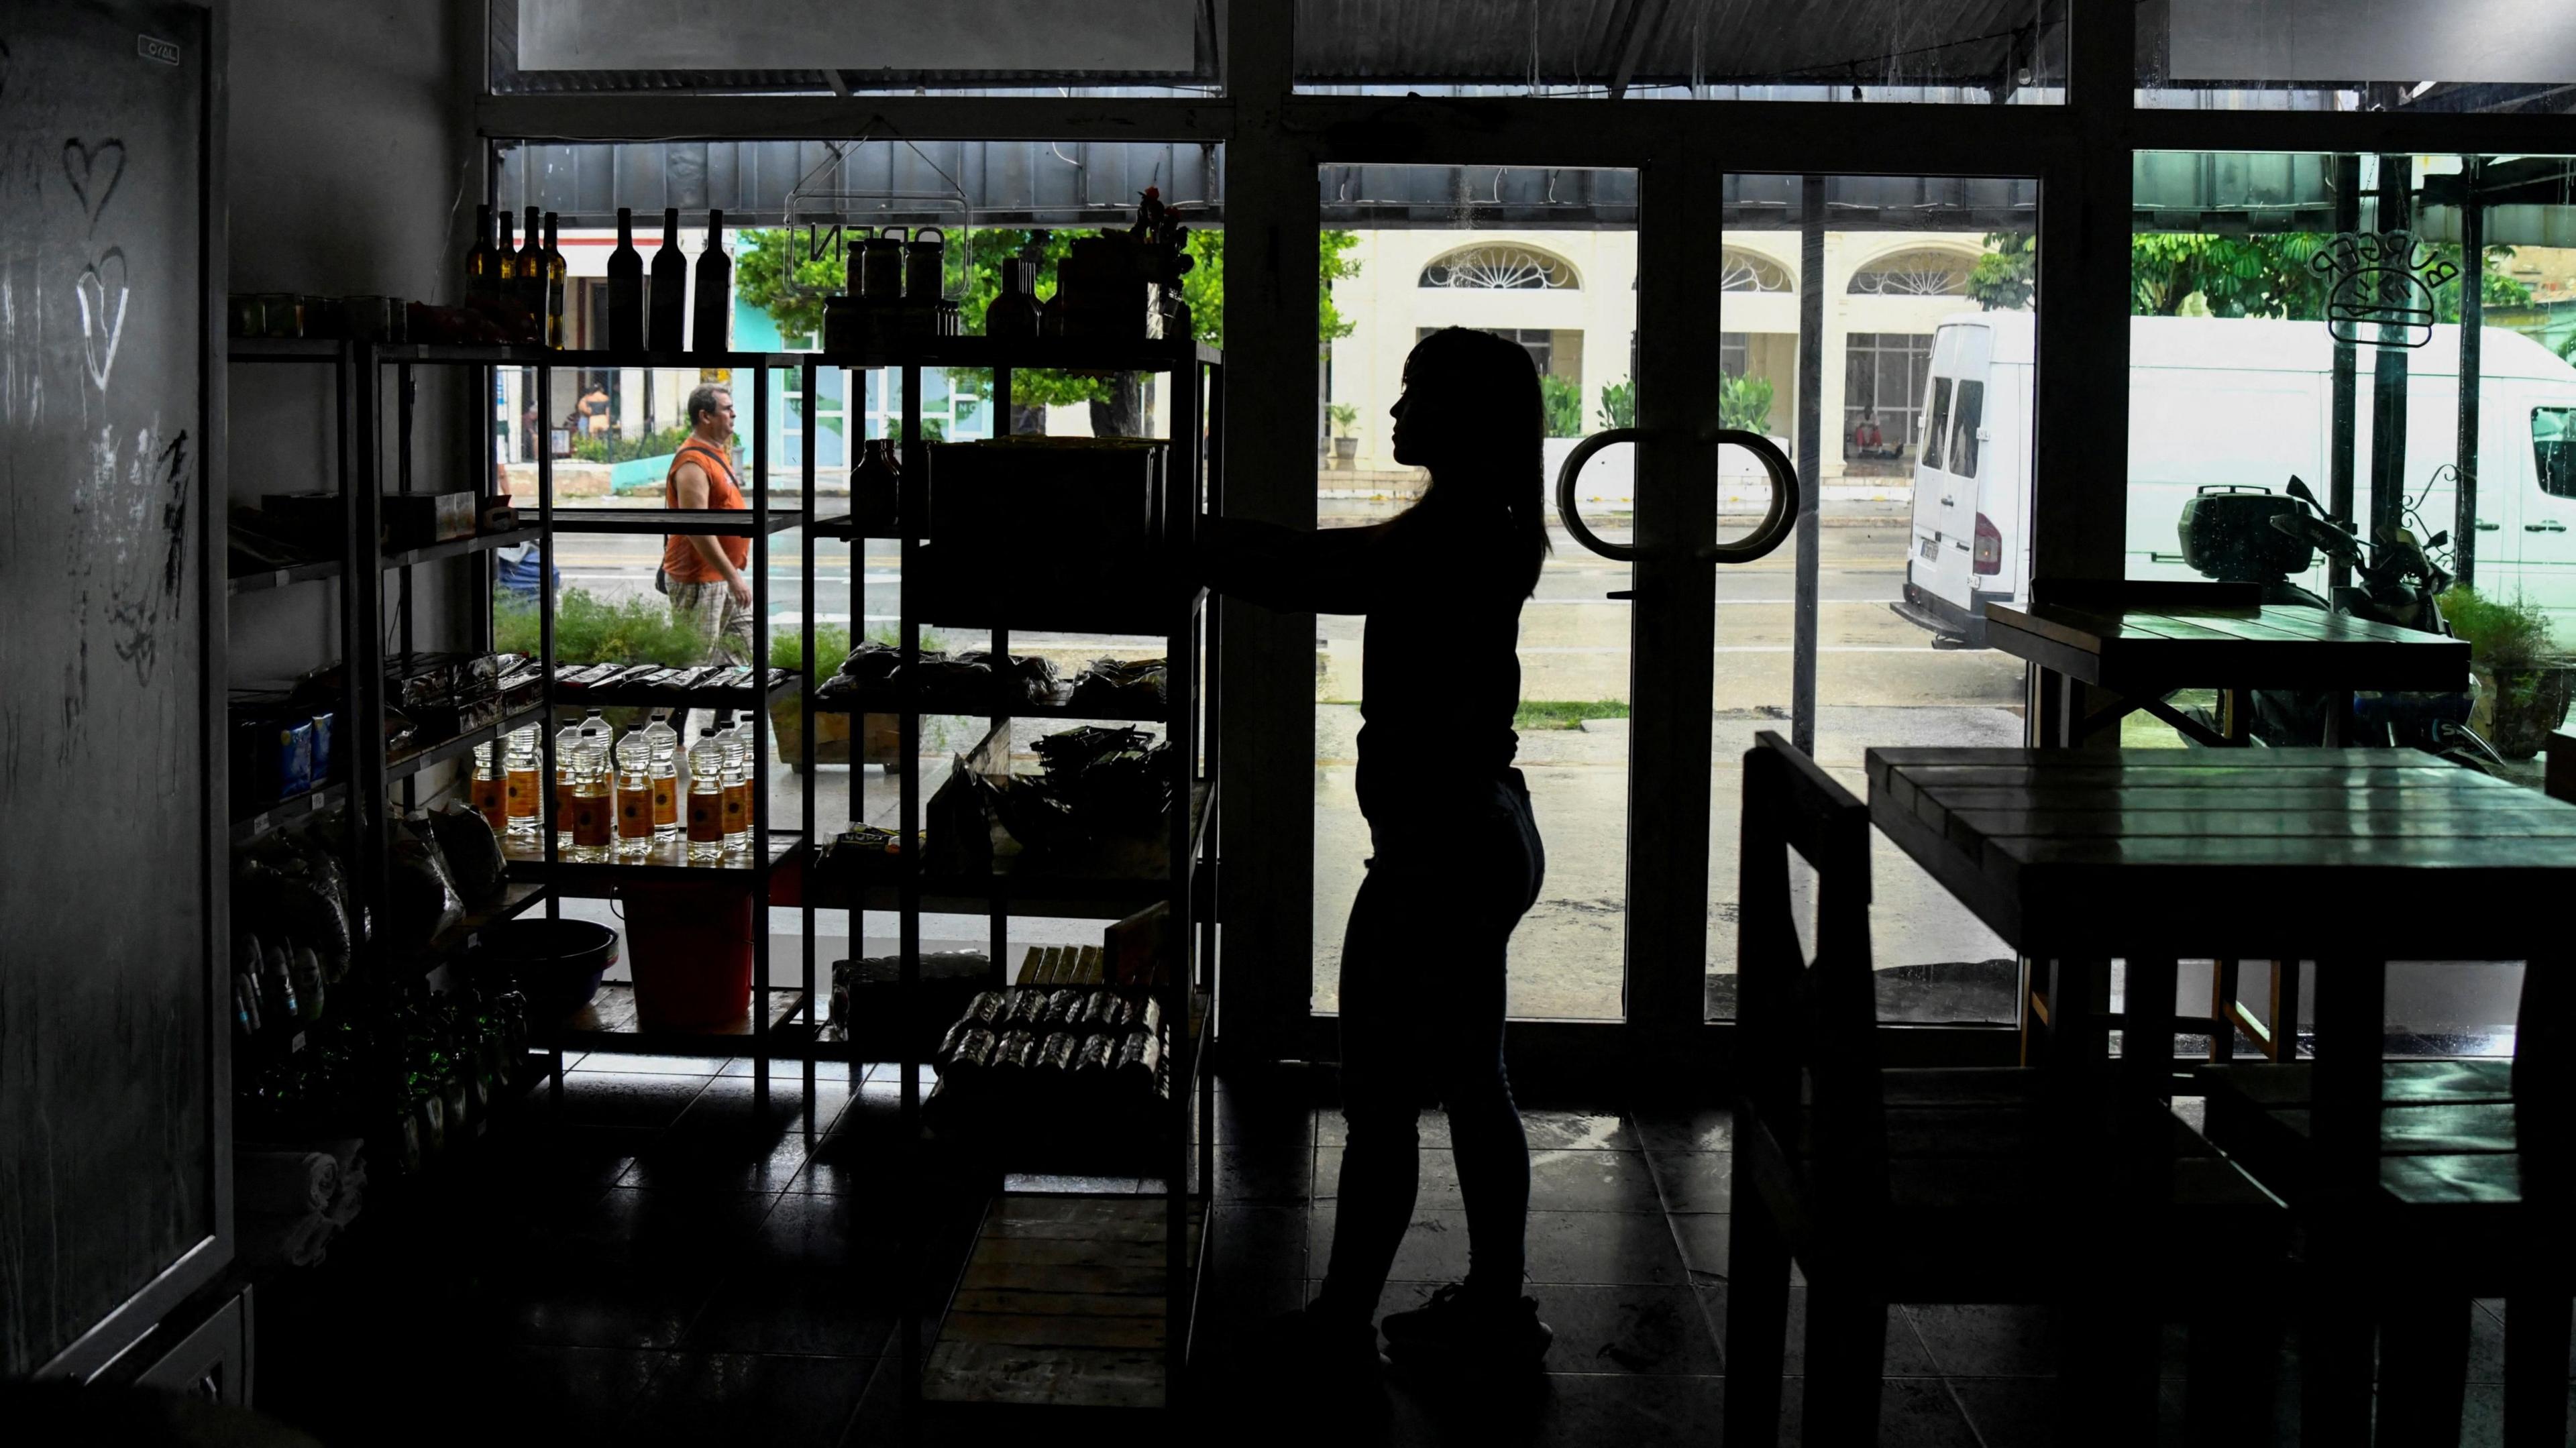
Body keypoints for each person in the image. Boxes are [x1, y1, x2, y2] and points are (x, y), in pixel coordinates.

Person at [1195, 326, 1553, 1378]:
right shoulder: (1483, 521)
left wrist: (1189, 538)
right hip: (1483, 826)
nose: (1394, 414)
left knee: (1382, 1103)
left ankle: (1342, 1319)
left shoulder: (1449, 541)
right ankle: (1493, 1304)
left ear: (1467, 418)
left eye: (1415, 396)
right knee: (1474, 1081)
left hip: (1436, 853)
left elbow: (1318, 568)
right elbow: (1331, 553)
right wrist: (1215, 534)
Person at [662, 384, 752, 669]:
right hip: (699, 579)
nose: (734, 414)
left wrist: (731, 574)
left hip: (722, 576)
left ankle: (726, 714)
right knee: (695, 665)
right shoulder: (693, 462)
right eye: (727, 409)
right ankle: (671, 715)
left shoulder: (716, 452)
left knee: (744, 654)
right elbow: (696, 527)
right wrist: (733, 576)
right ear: (706, 416)